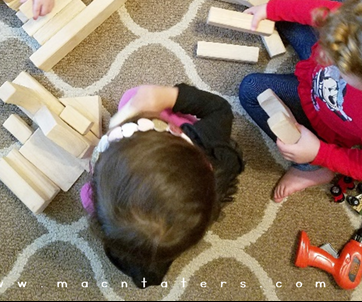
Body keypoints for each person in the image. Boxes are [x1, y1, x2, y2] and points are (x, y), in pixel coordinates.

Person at [238, 0, 362, 202]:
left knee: (251, 89)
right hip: (319, 68)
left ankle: (313, 169)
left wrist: (320, 153)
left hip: (324, 120)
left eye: (342, 65)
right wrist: (270, 10)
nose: (330, 56)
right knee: (287, 4)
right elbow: (329, 13)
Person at [81, 83, 244, 288]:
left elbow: (95, 195)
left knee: (130, 97)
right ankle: (157, 256)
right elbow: (220, 108)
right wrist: (170, 96)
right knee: (134, 97)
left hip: (134, 235)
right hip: (188, 204)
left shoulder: (91, 198)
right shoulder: (210, 146)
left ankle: (148, 263)